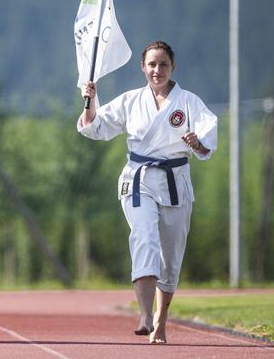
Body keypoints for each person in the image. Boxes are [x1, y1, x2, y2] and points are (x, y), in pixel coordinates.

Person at [78, 41, 217, 344]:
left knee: (171, 256)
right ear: (143, 67)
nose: (157, 70)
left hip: (175, 181)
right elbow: (94, 128)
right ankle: (143, 314)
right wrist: (89, 100)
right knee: (144, 237)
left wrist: (197, 142)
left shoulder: (189, 102)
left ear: (172, 67)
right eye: (152, 64)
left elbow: (209, 134)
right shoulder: (130, 100)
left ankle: (161, 318)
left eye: (163, 64)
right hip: (138, 180)